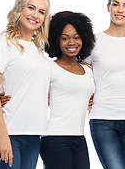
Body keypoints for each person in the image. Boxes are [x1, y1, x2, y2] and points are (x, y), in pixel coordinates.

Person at [0, 0, 51, 169]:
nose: (35, 15)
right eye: (31, 8)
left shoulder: (39, 50)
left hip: (33, 134)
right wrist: (2, 135)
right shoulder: (1, 42)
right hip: (8, 132)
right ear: (20, 8)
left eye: (41, 12)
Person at [86, 0, 125, 169]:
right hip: (103, 119)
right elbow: (79, 72)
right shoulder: (93, 41)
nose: (120, 10)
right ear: (108, 7)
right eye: (116, 4)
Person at [40, 11, 96, 169]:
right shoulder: (49, 67)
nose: (72, 42)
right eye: (65, 38)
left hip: (79, 138)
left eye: (76, 37)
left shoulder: (88, 71)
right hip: (55, 138)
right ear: (56, 40)